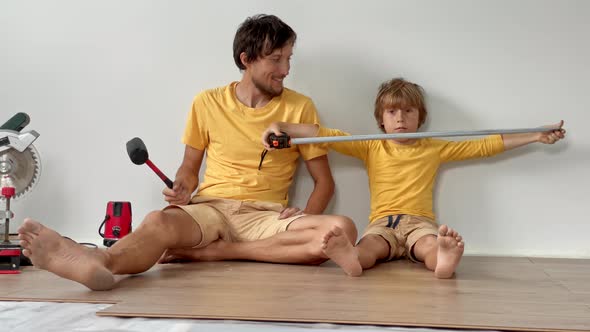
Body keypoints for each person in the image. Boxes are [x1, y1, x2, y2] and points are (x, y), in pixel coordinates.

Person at [17, 14, 360, 291]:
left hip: (266, 217)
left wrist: (303, 215)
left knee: (340, 229)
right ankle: (98, 263)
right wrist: (182, 186)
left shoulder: (300, 107)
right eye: (276, 59)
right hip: (211, 209)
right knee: (159, 221)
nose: (285, 69)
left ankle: (213, 254)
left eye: (288, 59)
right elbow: (189, 168)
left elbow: (323, 184)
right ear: (246, 59)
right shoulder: (207, 102)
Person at [260, 77, 566, 278]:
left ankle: (443, 261)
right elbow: (323, 135)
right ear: (381, 120)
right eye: (392, 113)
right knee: (369, 249)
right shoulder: (371, 146)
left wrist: (536, 135)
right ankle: (350, 258)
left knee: (430, 246)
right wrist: (280, 126)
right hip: (382, 222)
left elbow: (486, 144)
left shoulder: (432, 147)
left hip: (419, 222)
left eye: (408, 112)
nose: (401, 119)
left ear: (420, 117)